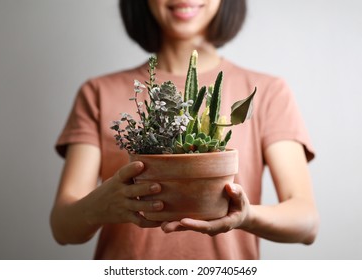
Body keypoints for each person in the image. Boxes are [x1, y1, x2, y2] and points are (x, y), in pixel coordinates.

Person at [50, 0, 319, 259]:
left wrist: (247, 216)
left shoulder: (268, 92)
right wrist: (98, 206)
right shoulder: (98, 93)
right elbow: (62, 227)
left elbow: (306, 221)